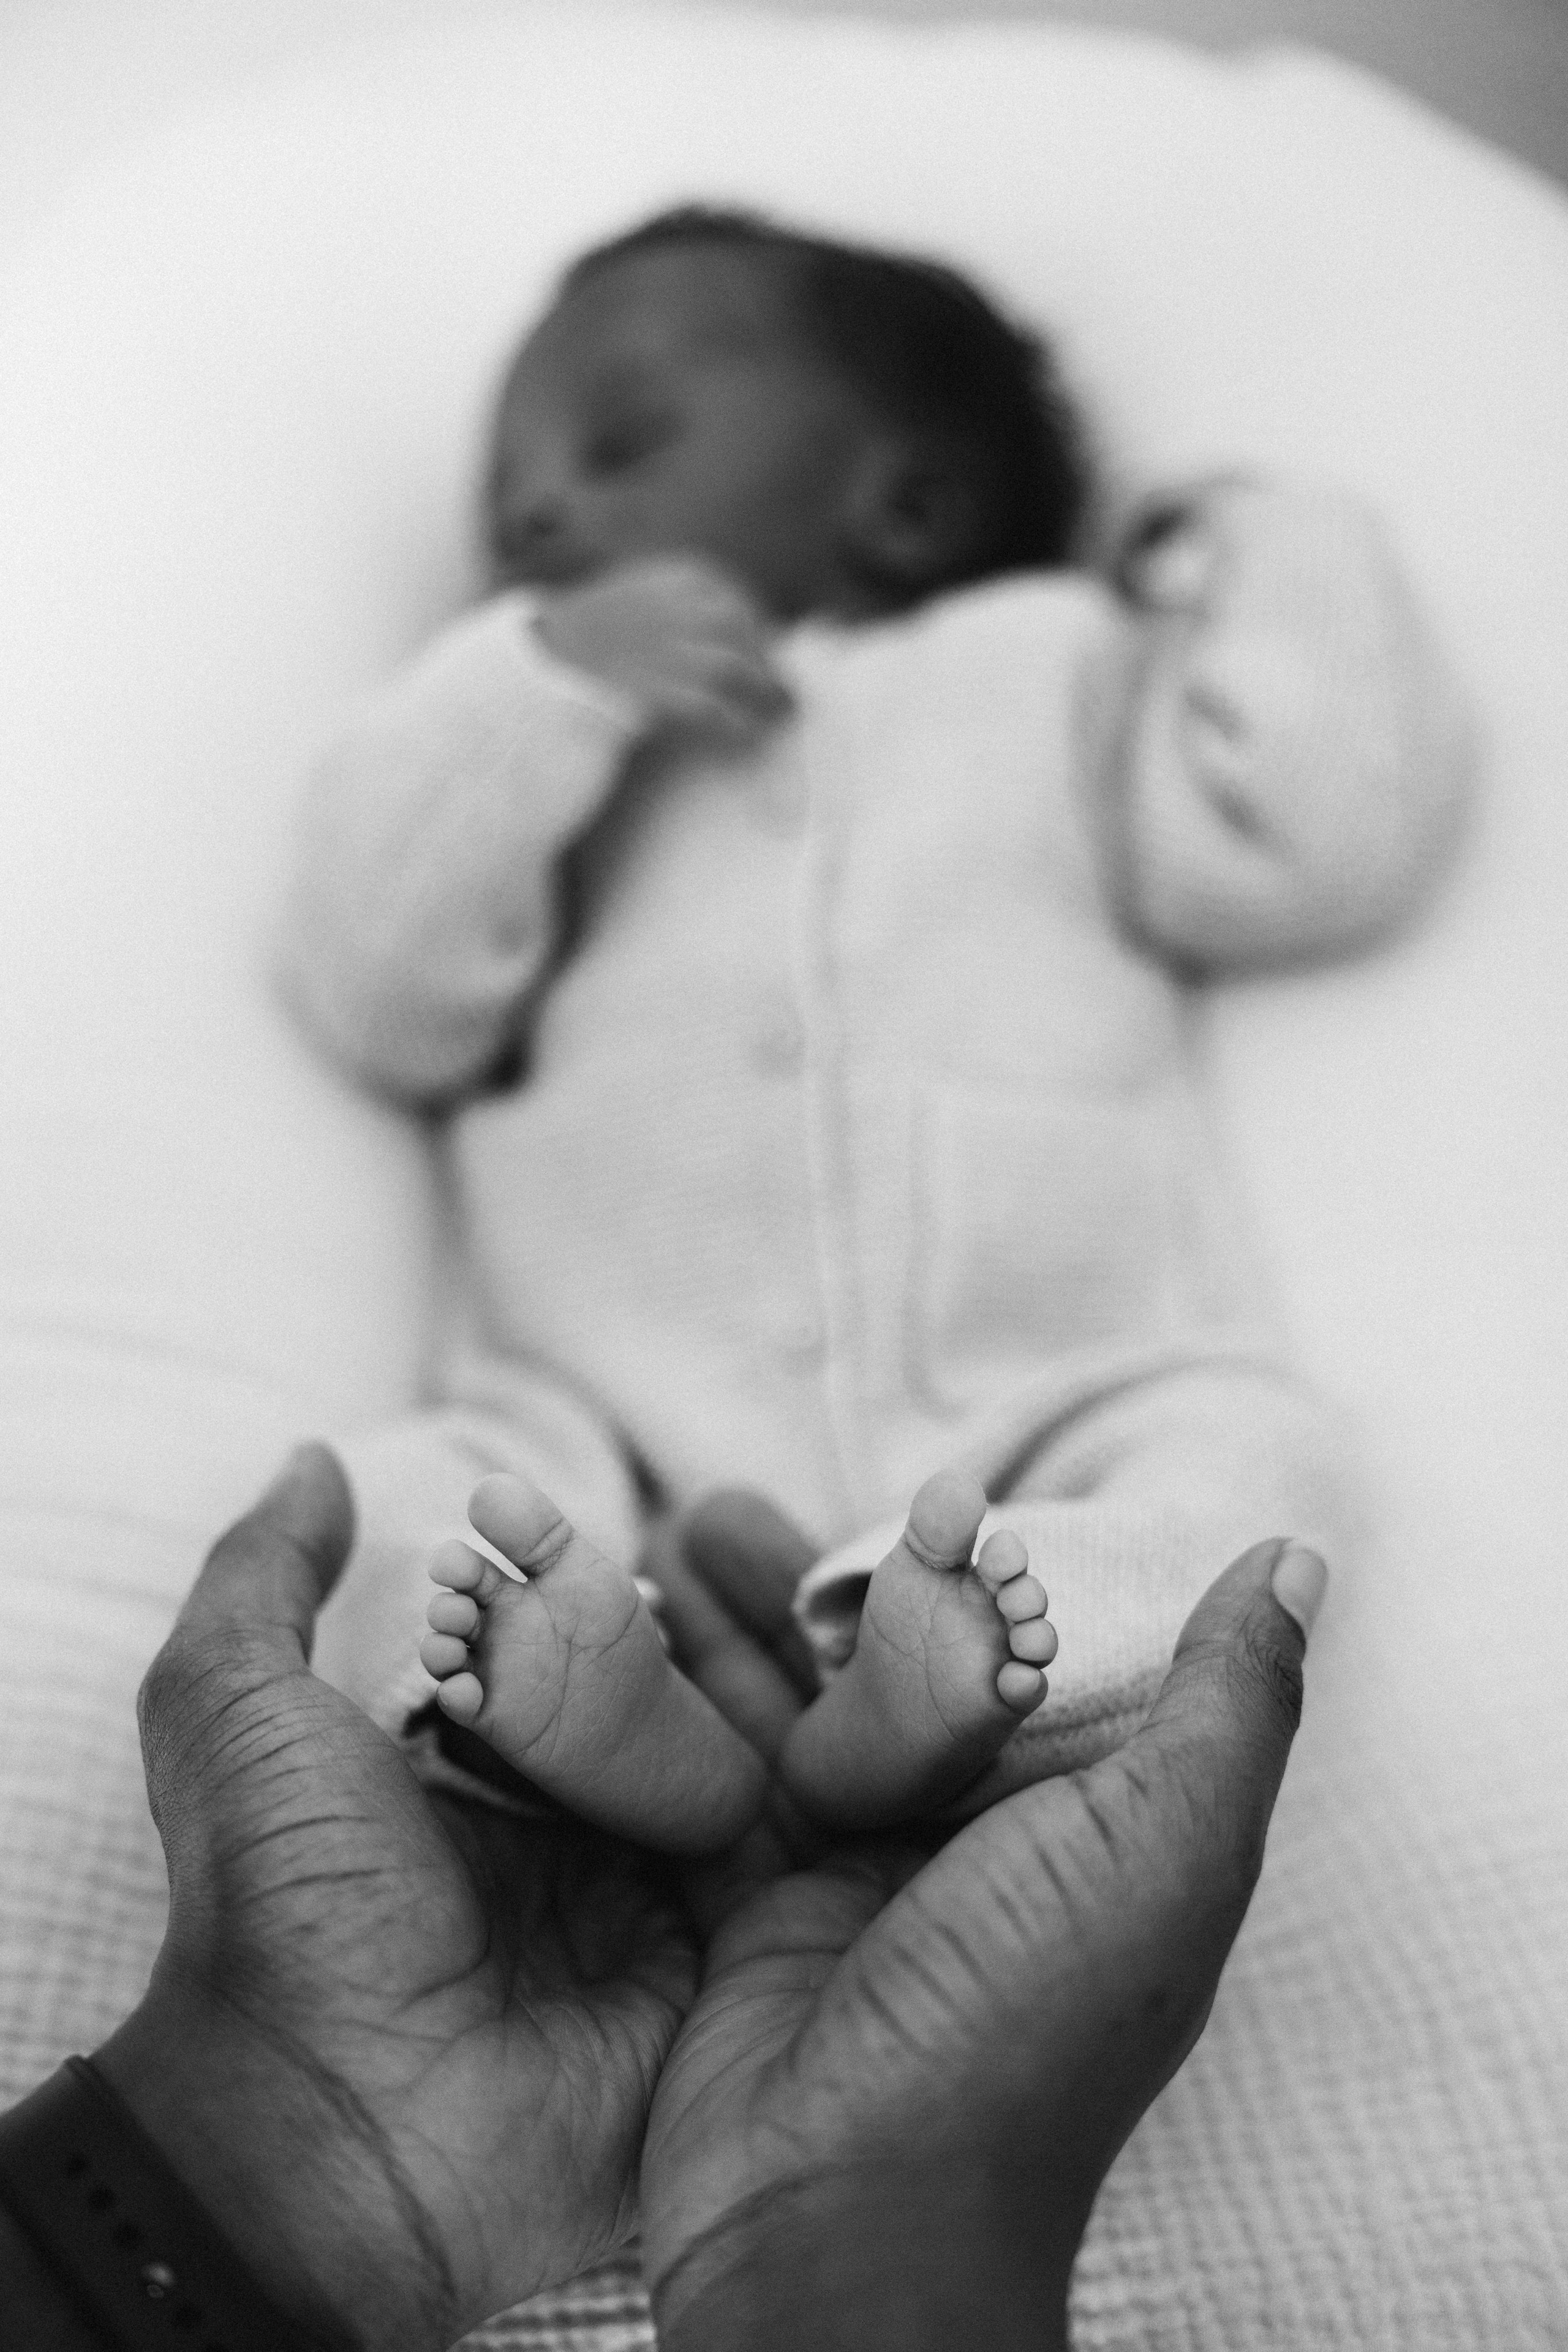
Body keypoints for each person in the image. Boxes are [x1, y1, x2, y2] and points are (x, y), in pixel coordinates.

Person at [277, 205, 1465, 1842]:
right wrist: (530, 682)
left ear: (904, 504)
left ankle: (1004, 1647)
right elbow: (379, 995)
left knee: (1264, 1464)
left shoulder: (1053, 666)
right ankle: (573, 1704)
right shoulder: (563, 751)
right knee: (406, 1490)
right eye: (506, 507)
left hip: (1052, 1371)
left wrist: (1258, 540)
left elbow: (1323, 837)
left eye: (618, 444)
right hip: (605, 1408)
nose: (540, 507)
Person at [0, 1446, 1325, 2350]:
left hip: (1034, 1383)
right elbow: (393, 1020)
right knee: (458, 1470)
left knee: (1233, 1451)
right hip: (599, 1377)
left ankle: (876, 1714)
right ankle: (798, 1730)